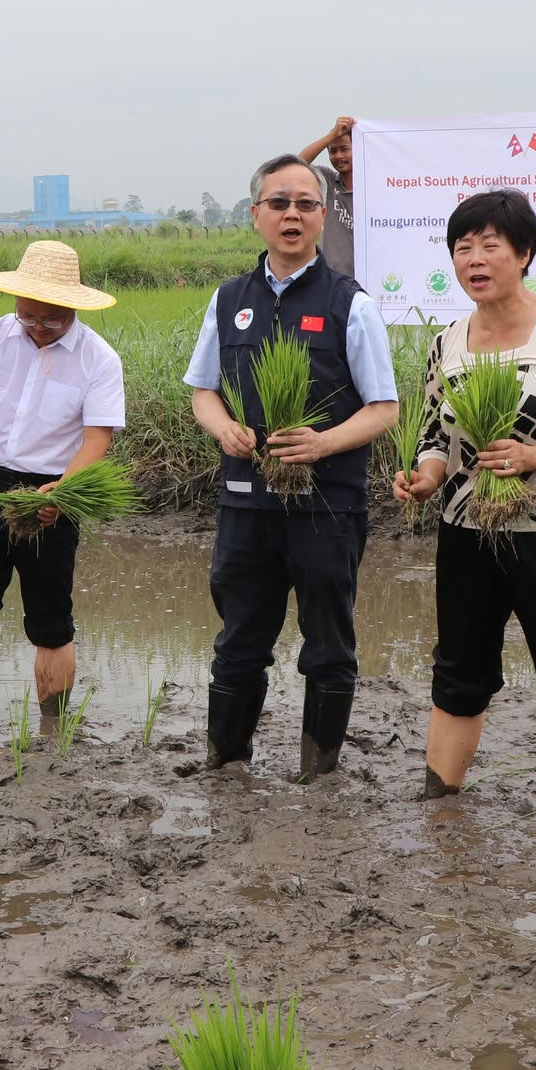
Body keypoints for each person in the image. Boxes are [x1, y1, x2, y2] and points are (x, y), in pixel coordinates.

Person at [394, 189, 536, 825]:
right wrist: (425, 478)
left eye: (490, 245)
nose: (474, 258)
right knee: (457, 674)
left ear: (524, 254)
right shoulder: (448, 342)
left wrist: (531, 457)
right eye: (462, 247)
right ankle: (441, 813)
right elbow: (435, 438)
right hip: (465, 531)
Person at [184, 155, 398, 782]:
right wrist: (221, 426)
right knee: (239, 638)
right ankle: (226, 765)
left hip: (327, 505)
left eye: (306, 203)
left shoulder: (350, 304)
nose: (292, 214)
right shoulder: (229, 300)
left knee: (328, 642)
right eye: (279, 203)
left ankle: (318, 773)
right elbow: (203, 390)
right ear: (256, 215)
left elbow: (384, 408)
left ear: (322, 216)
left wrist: (322, 444)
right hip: (247, 502)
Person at [0, 240, 125, 715]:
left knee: (51, 619)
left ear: (73, 308)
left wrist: (63, 493)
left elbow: (95, 441)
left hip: (52, 494)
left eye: (51, 320)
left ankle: (53, 731)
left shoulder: (99, 359)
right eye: (28, 316)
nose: (37, 326)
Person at [297, 115, 357, 277]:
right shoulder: (328, 181)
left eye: (344, 149)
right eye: (332, 151)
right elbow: (298, 164)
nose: (339, 156)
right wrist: (332, 135)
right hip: (332, 278)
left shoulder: (371, 187)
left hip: (367, 278)